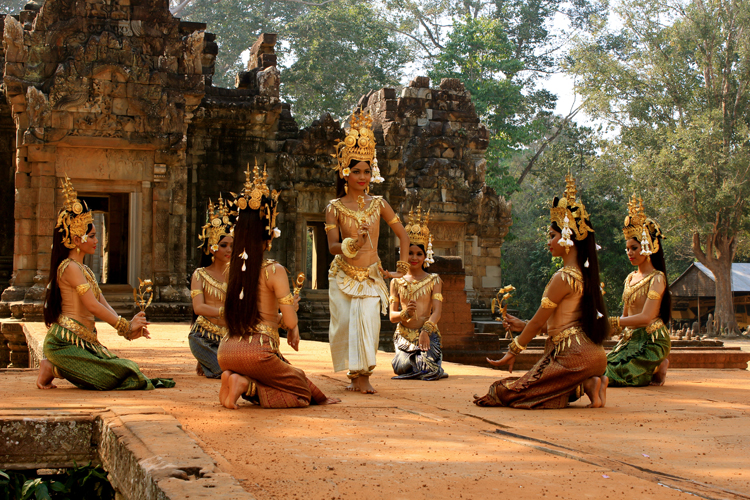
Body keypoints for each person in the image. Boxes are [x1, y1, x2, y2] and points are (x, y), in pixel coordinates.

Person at [473, 175, 609, 408]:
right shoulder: (586, 277)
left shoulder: (563, 277)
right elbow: (560, 324)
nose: (549, 241)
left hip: (573, 356)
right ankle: (590, 383)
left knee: (504, 391)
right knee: (549, 391)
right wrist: (521, 325)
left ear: (568, 238)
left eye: (552, 235)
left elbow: (538, 323)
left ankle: (587, 382)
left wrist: (513, 350)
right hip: (593, 355)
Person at [218, 163, 340, 409]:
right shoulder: (274, 270)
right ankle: (245, 385)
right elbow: (291, 322)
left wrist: (278, 316)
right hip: (257, 353)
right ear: (269, 233)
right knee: (301, 392)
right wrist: (290, 315)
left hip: (226, 351)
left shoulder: (231, 270)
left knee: (294, 375)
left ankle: (233, 377)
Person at [36, 176, 174, 391]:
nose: (96, 241)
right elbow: (92, 306)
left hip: (85, 341)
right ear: (75, 240)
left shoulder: (85, 270)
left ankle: (60, 368)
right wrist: (124, 326)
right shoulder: (69, 267)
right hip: (64, 342)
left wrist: (127, 329)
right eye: (91, 236)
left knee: (129, 371)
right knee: (110, 378)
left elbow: (102, 301)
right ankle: (51, 367)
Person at [326, 109, 411, 394]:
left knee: (369, 323)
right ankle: (354, 377)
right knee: (347, 325)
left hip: (373, 276)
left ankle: (366, 376)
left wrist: (402, 269)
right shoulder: (334, 208)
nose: (363, 177)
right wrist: (354, 243)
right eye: (356, 171)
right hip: (343, 274)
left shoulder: (379, 203)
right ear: (345, 172)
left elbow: (402, 234)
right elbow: (332, 247)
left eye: (367, 171)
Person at [606, 195, 671, 386]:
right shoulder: (630, 278)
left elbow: (645, 318)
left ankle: (658, 365)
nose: (630, 253)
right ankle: (654, 369)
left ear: (648, 246)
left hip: (650, 340)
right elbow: (626, 316)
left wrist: (613, 321)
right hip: (630, 340)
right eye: (627, 249)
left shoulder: (657, 278)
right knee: (598, 367)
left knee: (614, 374)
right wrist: (610, 328)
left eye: (634, 248)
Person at [389, 205, 447, 380]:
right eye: (410, 253)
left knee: (424, 366)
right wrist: (405, 313)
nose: (413, 258)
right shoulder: (396, 281)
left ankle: (431, 363)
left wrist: (425, 331)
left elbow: (437, 311)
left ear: (425, 255)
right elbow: (392, 316)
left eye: (418, 254)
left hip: (427, 335)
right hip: (404, 336)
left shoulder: (434, 280)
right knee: (401, 367)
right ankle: (424, 366)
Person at [189, 196, 233, 378]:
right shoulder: (200, 274)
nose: (229, 250)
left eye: (232, 245)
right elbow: (198, 308)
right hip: (205, 337)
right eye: (223, 245)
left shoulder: (238, 275)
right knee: (228, 372)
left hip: (232, 338)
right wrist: (228, 311)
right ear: (212, 247)